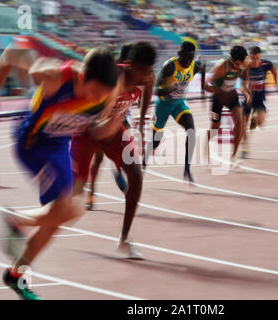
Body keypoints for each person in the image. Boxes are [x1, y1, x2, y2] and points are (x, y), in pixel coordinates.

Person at [0, 47, 121, 299]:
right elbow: (11, 55)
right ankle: (15, 219)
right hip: (32, 145)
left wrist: (112, 122)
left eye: (103, 93)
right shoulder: (54, 75)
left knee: (61, 216)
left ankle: (16, 274)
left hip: (58, 148)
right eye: (95, 90)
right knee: (66, 208)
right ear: (82, 75)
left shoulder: (109, 91)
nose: (97, 97)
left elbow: (99, 130)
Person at [71, 42, 156, 259]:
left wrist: (142, 128)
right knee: (73, 193)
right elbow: (97, 124)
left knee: (136, 175)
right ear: (131, 65)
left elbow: (145, 101)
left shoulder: (148, 77)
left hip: (112, 128)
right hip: (89, 129)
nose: (145, 76)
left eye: (149, 71)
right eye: (142, 71)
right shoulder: (116, 78)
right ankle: (34, 219)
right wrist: (111, 123)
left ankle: (125, 239)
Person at [142, 41, 205, 183]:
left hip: (178, 104)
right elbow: (154, 89)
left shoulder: (194, 66)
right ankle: (144, 160)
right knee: (156, 141)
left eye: (191, 58)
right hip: (163, 104)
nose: (188, 62)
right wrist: (168, 90)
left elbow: (202, 67)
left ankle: (187, 170)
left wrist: (202, 90)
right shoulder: (169, 67)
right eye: (186, 58)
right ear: (180, 55)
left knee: (191, 130)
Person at [85, 43, 137, 210]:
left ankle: (118, 170)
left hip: (120, 119)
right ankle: (91, 193)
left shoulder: (135, 77)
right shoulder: (112, 73)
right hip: (102, 118)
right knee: (98, 159)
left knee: (129, 147)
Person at [205, 45, 247, 165]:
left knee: (240, 122)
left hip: (232, 95)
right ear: (231, 59)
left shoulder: (244, 63)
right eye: (236, 64)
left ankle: (234, 155)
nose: (238, 67)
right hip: (218, 97)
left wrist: (245, 88)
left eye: (240, 64)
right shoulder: (221, 67)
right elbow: (207, 87)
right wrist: (217, 90)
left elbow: (244, 75)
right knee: (215, 128)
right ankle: (206, 143)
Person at [240, 46, 278, 158]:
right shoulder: (246, 67)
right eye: (252, 58)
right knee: (243, 124)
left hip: (260, 97)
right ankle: (245, 147)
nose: (255, 60)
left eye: (257, 58)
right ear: (249, 57)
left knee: (261, 123)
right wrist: (247, 95)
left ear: (260, 56)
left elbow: (275, 71)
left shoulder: (266, 64)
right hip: (249, 97)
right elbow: (242, 86)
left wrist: (276, 84)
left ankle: (255, 118)